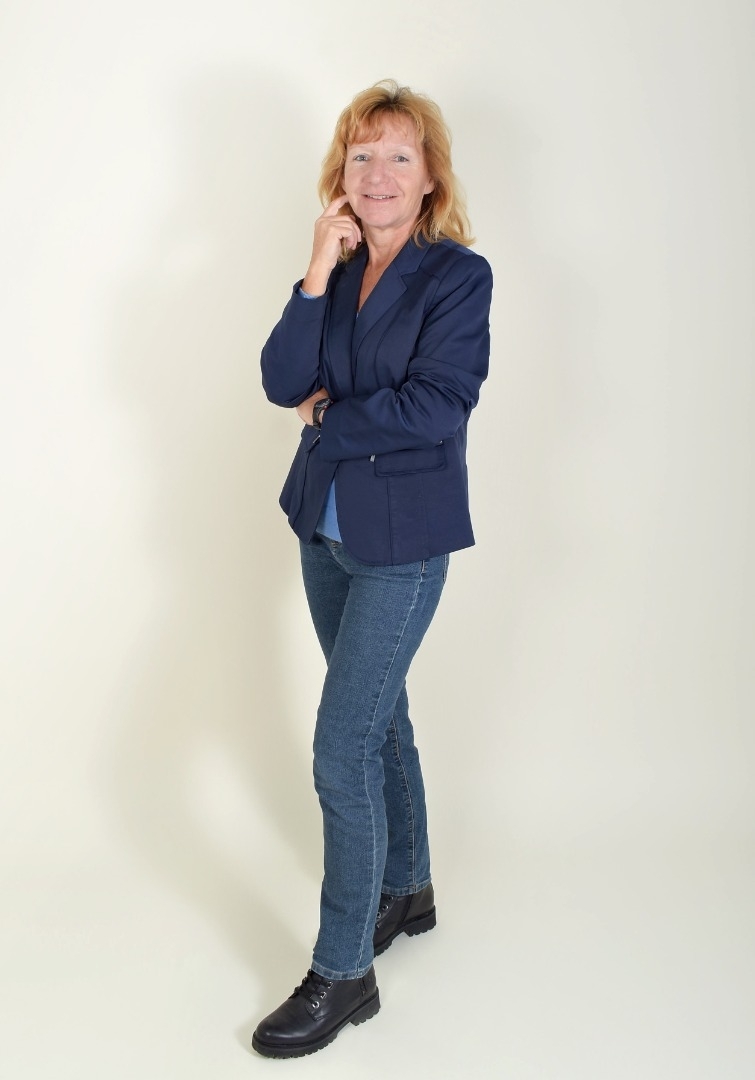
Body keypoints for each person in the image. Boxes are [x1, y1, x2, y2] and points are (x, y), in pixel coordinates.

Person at [253, 79, 493, 1059]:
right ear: (340, 175)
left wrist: (329, 416)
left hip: (404, 542)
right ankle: (409, 888)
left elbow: (437, 404)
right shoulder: (339, 267)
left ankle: (343, 969)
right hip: (323, 530)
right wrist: (316, 269)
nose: (378, 172)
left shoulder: (456, 277)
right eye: (361, 155)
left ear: (430, 176)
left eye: (399, 155)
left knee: (339, 747)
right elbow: (279, 380)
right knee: (380, 717)